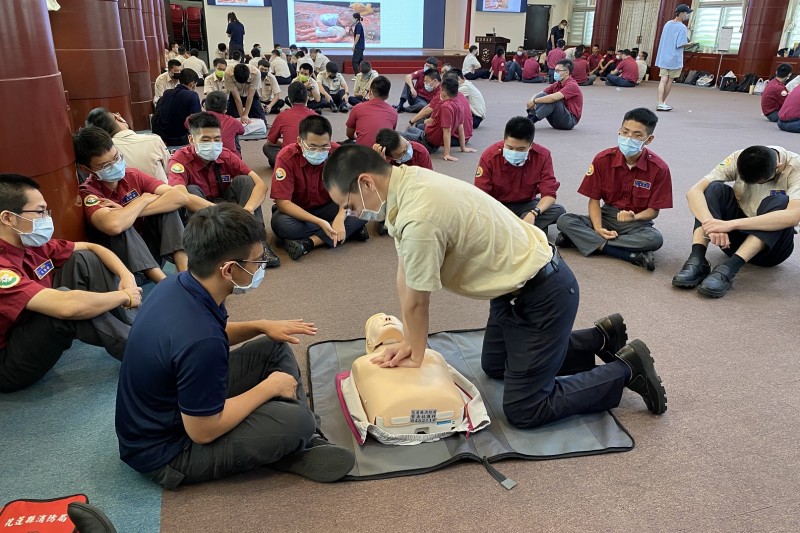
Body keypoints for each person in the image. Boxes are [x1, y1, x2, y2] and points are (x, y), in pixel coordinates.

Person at [321, 145, 668, 430]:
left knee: (525, 409)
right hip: (514, 289)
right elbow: (406, 275)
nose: (352, 214)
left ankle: (627, 368)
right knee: (495, 366)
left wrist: (415, 351)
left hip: (544, 294)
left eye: (350, 205)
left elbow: (417, 301)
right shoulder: (406, 182)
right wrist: (411, 343)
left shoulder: (418, 215)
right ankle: (601, 339)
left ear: (366, 182)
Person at [115, 202, 355, 488]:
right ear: (228, 270)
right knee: (299, 420)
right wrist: (270, 388)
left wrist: (261, 325)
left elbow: (207, 339)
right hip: (169, 453)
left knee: (273, 345)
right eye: (256, 261)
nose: (262, 264)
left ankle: (295, 440)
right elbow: (202, 431)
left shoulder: (179, 284)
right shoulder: (201, 339)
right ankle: (297, 439)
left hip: (173, 403)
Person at [0, 173, 140, 393]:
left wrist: (127, 278)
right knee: (64, 307)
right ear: (8, 218)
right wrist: (124, 296)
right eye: (39, 212)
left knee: (84, 258)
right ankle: (144, 352)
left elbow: (93, 247)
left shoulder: (29, 243)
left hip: (26, 328)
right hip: (7, 363)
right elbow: (68, 306)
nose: (46, 218)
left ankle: (136, 327)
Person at [672, 146, 800, 297]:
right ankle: (697, 260)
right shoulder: (738, 157)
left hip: (771, 250)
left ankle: (728, 269)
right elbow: (694, 192)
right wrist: (711, 224)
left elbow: (793, 216)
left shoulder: (795, 167)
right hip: (731, 242)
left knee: (781, 201)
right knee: (713, 188)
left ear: (777, 166)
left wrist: (729, 224)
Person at [556, 108, 672, 271]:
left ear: (649, 139)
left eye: (637, 135)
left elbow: (653, 211)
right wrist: (597, 228)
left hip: (635, 223)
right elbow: (594, 199)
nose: (629, 138)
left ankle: (582, 240)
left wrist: (633, 217)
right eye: (625, 132)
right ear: (619, 130)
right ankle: (628, 255)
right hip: (606, 216)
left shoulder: (659, 169)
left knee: (654, 239)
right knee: (564, 220)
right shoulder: (603, 159)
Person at [73, 127, 189, 283]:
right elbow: (113, 225)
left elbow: (179, 196)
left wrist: (131, 210)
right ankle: (165, 284)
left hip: (152, 250)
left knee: (168, 210)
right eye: (105, 165)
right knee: (120, 225)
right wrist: (142, 200)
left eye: (116, 157)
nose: (115, 165)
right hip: (126, 265)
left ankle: (185, 275)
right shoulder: (89, 192)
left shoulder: (132, 174)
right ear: (85, 169)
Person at [167, 112, 280, 267]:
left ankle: (259, 243)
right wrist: (223, 212)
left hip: (226, 202)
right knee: (190, 190)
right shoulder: (180, 159)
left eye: (217, 139)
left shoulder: (226, 155)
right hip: (202, 210)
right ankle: (208, 247)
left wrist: (247, 210)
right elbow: (180, 195)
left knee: (246, 181)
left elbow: (261, 184)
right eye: (205, 140)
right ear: (191, 140)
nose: (213, 144)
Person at [270, 116, 368, 260]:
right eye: (312, 146)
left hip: (330, 205)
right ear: (299, 142)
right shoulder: (285, 157)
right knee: (280, 224)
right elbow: (283, 203)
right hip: (300, 211)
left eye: (324, 146)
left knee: (366, 207)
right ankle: (348, 231)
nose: (319, 151)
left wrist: (341, 216)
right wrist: (320, 222)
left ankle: (310, 243)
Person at [475, 117, 565, 234]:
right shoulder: (489, 156)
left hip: (526, 205)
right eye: (510, 147)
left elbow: (549, 194)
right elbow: (480, 196)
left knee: (558, 211)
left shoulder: (542, 156)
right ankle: (527, 229)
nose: (514, 152)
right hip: (496, 205)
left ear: (531, 145)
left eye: (521, 149)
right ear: (504, 141)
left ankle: (514, 228)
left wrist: (534, 213)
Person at [85, 107, 171, 183]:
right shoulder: (154, 140)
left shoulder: (102, 153)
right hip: (163, 194)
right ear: (117, 117)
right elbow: (170, 172)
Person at [401, 77, 475, 161]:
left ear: (443, 93)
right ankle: (408, 141)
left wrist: (446, 154)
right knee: (410, 129)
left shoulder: (446, 107)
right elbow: (460, 127)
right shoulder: (459, 104)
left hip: (427, 142)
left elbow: (447, 131)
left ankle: (407, 145)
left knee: (397, 135)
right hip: (426, 135)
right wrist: (463, 147)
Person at [263, 82, 316, 168]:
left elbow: (270, 142)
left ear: (289, 100)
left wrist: (284, 143)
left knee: (267, 147)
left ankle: (281, 164)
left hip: (290, 161)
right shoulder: (316, 116)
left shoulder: (282, 116)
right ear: (307, 99)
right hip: (312, 159)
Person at [654, 4, 695, 111]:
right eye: (687, 13)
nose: (688, 15)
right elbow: (680, 44)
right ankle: (662, 102)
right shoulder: (682, 27)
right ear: (681, 13)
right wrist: (690, 44)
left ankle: (660, 102)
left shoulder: (667, 24)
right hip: (674, 58)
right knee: (669, 80)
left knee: (663, 80)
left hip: (663, 56)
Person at [527, 59, 583, 131]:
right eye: (555, 70)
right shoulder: (557, 84)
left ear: (566, 72)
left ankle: (529, 123)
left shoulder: (572, 85)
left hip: (569, 121)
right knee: (543, 95)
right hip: (556, 120)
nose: (555, 73)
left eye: (558, 71)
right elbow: (539, 94)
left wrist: (535, 101)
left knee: (554, 100)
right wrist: (531, 100)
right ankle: (527, 120)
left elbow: (553, 98)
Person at [152, 69, 201, 147]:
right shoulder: (192, 95)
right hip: (180, 138)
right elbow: (197, 120)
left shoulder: (167, 93)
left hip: (163, 137)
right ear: (192, 84)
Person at [345, 75, 397, 146]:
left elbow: (349, 134)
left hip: (361, 152)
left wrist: (357, 139)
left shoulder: (357, 108)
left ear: (370, 92)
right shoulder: (394, 112)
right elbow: (390, 136)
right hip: (383, 154)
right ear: (387, 96)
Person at [199, 91, 245, 156]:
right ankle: (238, 161)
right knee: (235, 134)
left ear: (205, 106)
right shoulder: (233, 121)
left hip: (205, 158)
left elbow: (187, 123)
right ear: (225, 108)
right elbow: (242, 131)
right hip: (229, 159)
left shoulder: (198, 118)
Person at [351, 12, 366, 79]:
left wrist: (354, 45)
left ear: (356, 18)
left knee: (354, 61)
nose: (352, 19)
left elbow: (357, 36)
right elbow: (355, 35)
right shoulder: (357, 25)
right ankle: (362, 75)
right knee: (360, 62)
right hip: (360, 46)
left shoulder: (359, 25)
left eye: (353, 18)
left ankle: (357, 75)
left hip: (359, 46)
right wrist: (351, 30)